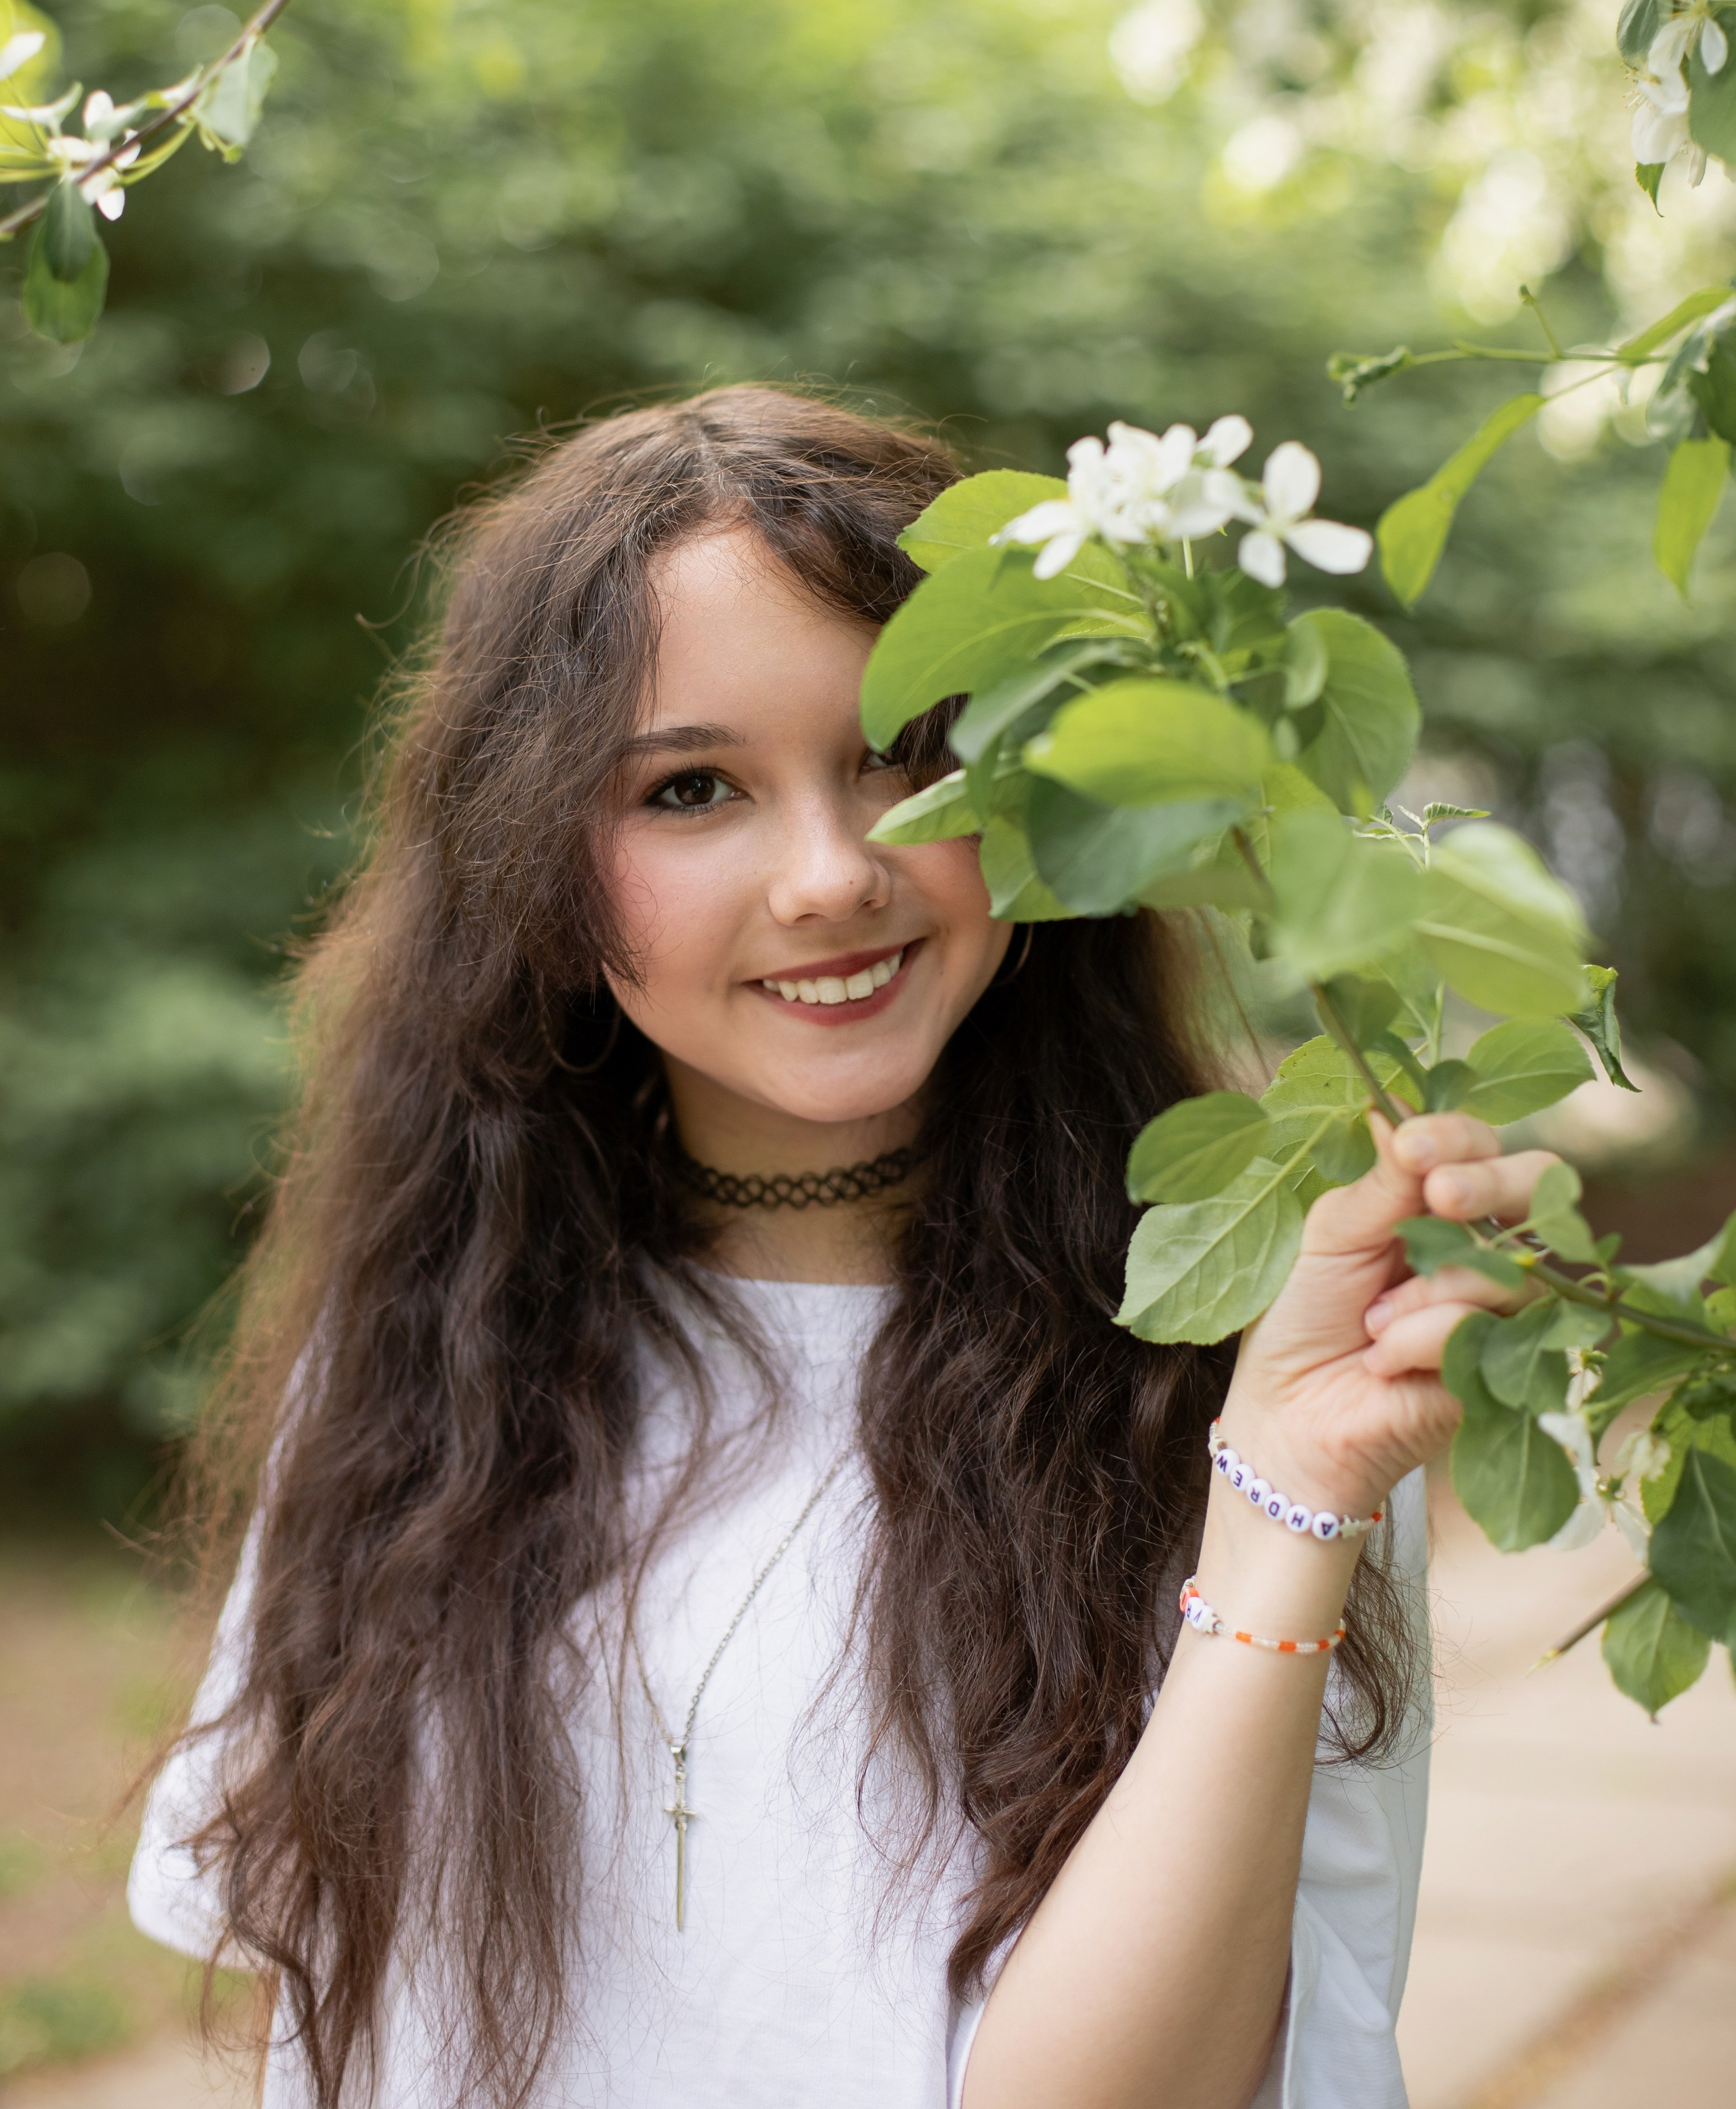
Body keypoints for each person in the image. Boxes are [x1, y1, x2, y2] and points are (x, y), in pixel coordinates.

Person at [131, 387, 1558, 2109]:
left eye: (902, 755)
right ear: (532, 860)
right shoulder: (427, 1335)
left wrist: (1280, 1500)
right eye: (691, 788)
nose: (828, 873)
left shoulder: (1254, 1372)